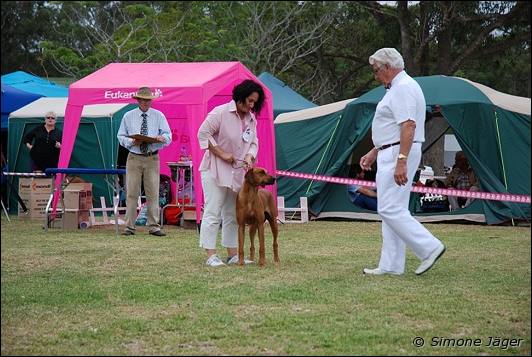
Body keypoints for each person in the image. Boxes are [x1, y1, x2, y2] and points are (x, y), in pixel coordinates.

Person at [359, 48, 446, 276]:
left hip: (398, 153)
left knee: (388, 208)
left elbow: (408, 125)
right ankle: (391, 265)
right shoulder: (398, 88)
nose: (376, 76)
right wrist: (375, 151)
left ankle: (429, 246)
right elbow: (392, 128)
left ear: (389, 67)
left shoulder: (403, 88)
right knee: (392, 208)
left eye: (377, 70)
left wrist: (401, 161)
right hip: (391, 151)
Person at [197, 79, 265, 267]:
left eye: (254, 102)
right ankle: (210, 255)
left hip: (237, 174)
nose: (251, 105)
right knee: (213, 212)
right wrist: (222, 153)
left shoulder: (252, 119)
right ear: (240, 98)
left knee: (232, 213)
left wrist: (250, 156)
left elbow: (253, 142)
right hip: (215, 170)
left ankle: (233, 254)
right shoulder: (220, 113)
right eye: (249, 101)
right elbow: (202, 134)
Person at [117, 87, 172, 237]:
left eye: (148, 100)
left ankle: (154, 226)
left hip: (152, 157)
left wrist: (162, 138)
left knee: (153, 192)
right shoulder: (128, 116)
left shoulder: (159, 115)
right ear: (138, 100)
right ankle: (129, 226)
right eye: (143, 100)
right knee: (132, 192)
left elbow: (168, 135)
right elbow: (120, 136)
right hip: (134, 157)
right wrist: (131, 141)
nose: (145, 102)